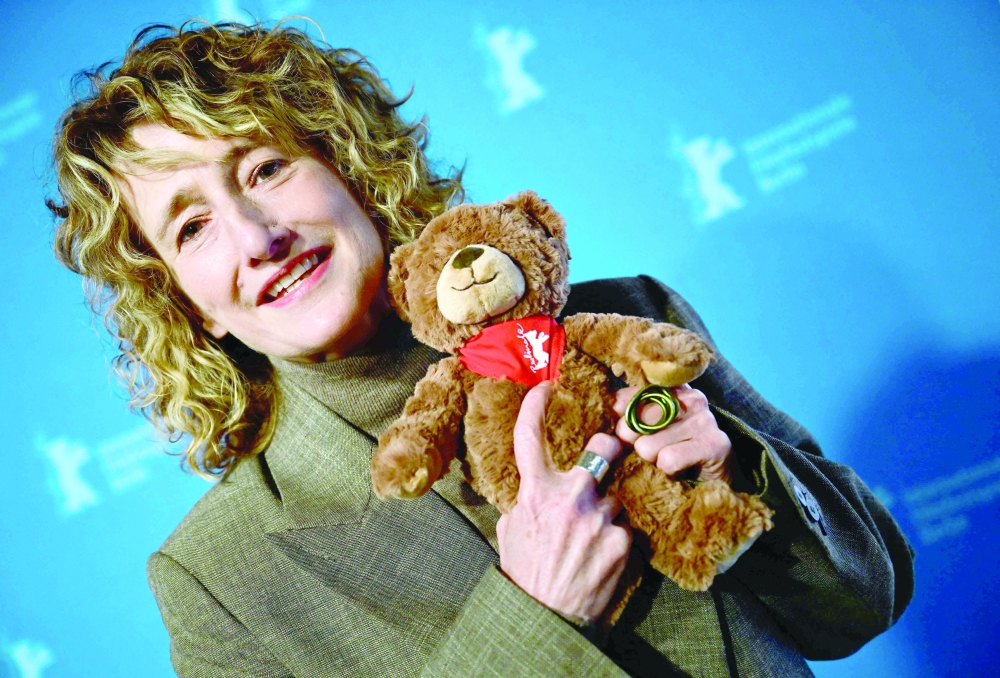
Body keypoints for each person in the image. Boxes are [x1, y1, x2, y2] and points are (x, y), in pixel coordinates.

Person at [48, 20, 914, 678]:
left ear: (349, 165)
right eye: (193, 226)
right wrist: (538, 617)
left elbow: (870, 597)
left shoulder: (629, 319)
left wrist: (743, 472)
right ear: (189, 305)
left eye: (267, 169)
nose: (257, 236)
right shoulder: (217, 578)